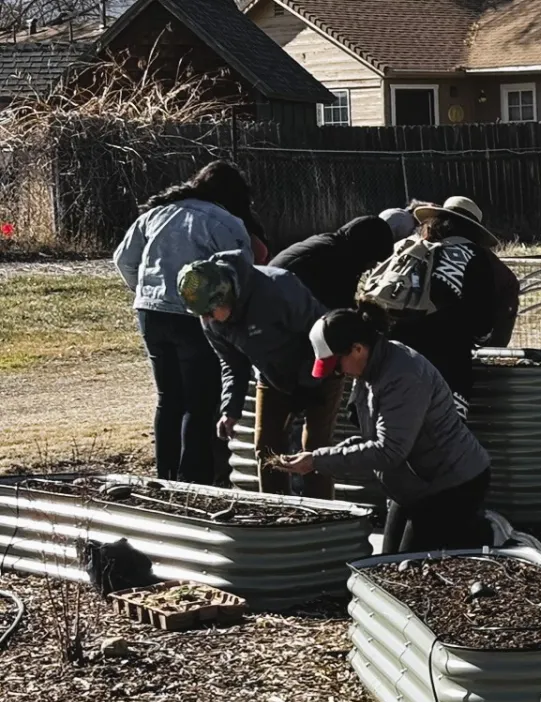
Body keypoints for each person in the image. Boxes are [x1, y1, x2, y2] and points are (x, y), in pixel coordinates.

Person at [276, 309, 493, 554]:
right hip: (415, 483)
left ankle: (486, 536)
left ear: (357, 348)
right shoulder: (370, 369)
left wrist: (318, 460)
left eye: (337, 366)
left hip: (452, 484)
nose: (340, 374)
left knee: (409, 569)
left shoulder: (403, 376)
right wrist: (322, 456)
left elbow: (389, 450)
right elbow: (374, 439)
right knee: (387, 562)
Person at [113, 161, 259, 485]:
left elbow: (122, 259)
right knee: (199, 400)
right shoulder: (224, 221)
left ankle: (164, 475)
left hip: (150, 313)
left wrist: (144, 289)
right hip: (194, 315)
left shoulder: (156, 214)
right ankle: (192, 479)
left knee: (168, 398)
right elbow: (243, 271)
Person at [177, 252, 341, 499]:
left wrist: (309, 384)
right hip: (272, 375)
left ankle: (323, 515)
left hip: (322, 367)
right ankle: (276, 511)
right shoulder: (210, 318)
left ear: (226, 294)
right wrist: (230, 410)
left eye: (211, 311)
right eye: (202, 314)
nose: (207, 319)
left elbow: (322, 335)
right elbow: (232, 364)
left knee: (314, 449)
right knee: (266, 446)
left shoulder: (278, 288)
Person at [373, 197, 519, 414]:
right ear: (474, 231)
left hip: (388, 354)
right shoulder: (475, 257)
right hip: (443, 362)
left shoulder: (407, 248)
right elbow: (481, 323)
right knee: (443, 435)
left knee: (388, 432)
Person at [270, 210, 412, 310]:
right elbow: (340, 312)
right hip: (276, 307)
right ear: (366, 252)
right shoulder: (337, 262)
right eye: (374, 260)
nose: (373, 266)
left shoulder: (333, 244)